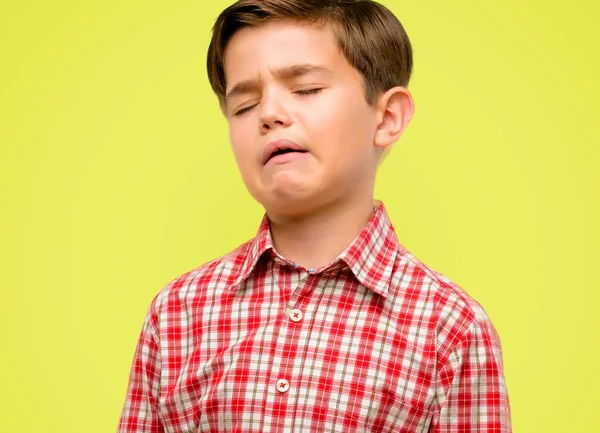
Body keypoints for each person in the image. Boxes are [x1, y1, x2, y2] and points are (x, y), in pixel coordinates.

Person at [117, 0, 512, 431]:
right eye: (245, 105)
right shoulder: (177, 314)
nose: (269, 114)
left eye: (305, 89)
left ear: (388, 116)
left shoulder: (450, 330)